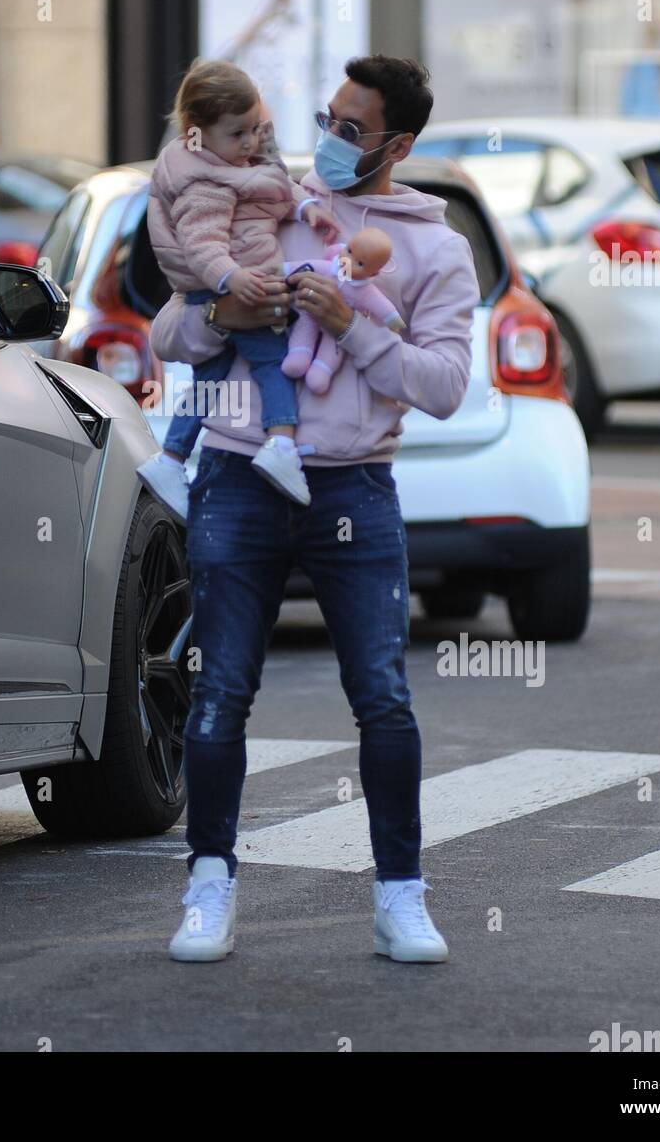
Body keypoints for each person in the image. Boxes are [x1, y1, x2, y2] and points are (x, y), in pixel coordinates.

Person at [149, 55, 480, 964]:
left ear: (397, 145)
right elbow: (166, 331)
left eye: (351, 128)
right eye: (326, 119)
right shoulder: (265, 201)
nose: (327, 140)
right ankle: (208, 887)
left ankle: (399, 897)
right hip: (237, 474)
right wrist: (226, 311)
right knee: (218, 694)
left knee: (382, 698)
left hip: (352, 487)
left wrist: (350, 325)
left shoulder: (434, 249)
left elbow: (445, 386)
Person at [137, 59, 339, 515]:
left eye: (254, 129)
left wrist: (306, 208)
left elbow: (275, 189)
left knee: (209, 381)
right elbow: (201, 246)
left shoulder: (229, 163)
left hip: (228, 286)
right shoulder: (204, 184)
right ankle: (282, 443)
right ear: (196, 131)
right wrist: (233, 279)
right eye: (237, 133)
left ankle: (169, 459)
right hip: (237, 287)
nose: (249, 142)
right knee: (274, 362)